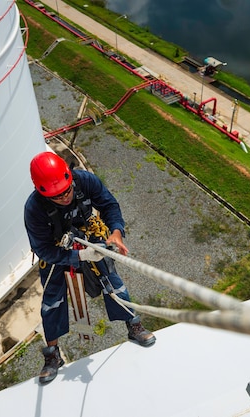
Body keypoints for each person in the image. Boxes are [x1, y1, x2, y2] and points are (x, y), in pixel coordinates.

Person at [24, 151, 156, 384]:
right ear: (43, 193)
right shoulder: (34, 209)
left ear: (70, 177)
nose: (65, 198)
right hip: (58, 251)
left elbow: (109, 205)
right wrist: (80, 255)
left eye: (67, 191)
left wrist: (116, 232)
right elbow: (44, 249)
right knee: (52, 299)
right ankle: (53, 354)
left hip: (88, 234)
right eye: (57, 197)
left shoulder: (84, 181)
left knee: (112, 281)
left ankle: (133, 325)